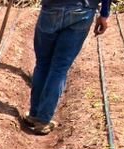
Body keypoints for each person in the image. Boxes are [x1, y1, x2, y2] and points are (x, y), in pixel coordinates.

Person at [21, 0, 109, 135]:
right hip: (82, 12)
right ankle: (43, 119)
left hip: (52, 8)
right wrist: (104, 14)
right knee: (59, 67)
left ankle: (34, 114)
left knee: (43, 63)